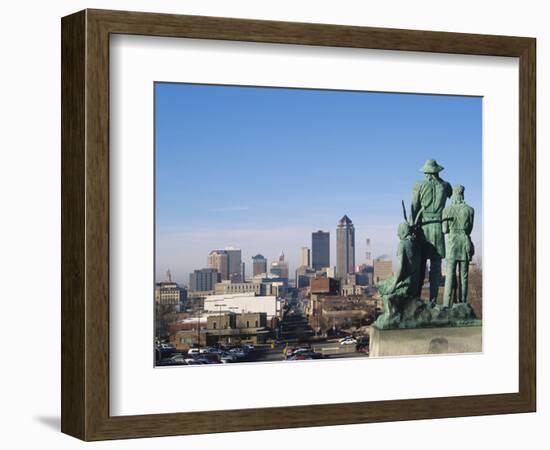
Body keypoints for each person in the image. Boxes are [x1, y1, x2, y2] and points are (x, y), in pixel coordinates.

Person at [411, 159, 452, 304]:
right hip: (438, 228)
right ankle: (433, 300)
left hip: (424, 229)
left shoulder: (419, 186)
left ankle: (416, 299)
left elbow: (414, 208)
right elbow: (451, 194)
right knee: (436, 266)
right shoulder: (445, 186)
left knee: (420, 265)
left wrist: (411, 227)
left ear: (426, 173)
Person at [442, 184, 475, 306]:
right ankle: (462, 302)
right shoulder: (470, 210)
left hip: (452, 244)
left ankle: (446, 303)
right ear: (462, 194)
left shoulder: (446, 210)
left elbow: (444, 230)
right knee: (464, 275)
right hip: (464, 242)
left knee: (450, 274)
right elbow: (470, 229)